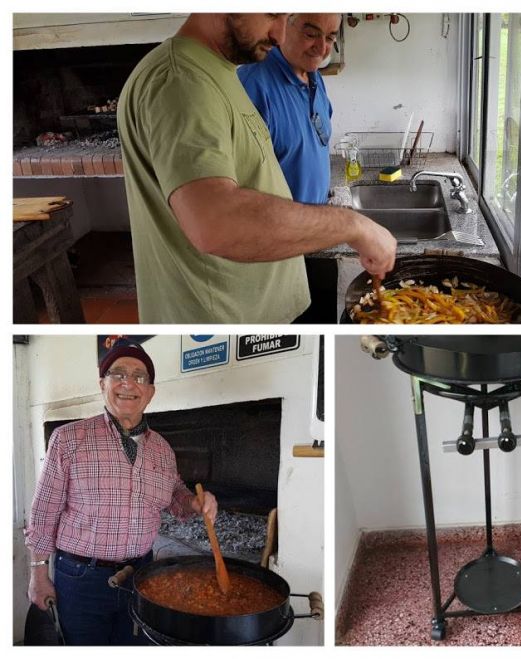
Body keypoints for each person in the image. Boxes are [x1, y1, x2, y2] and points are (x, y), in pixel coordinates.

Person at [118, 13, 396, 324]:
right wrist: (353, 226)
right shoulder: (183, 81)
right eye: (272, 13)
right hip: (227, 323)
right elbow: (216, 223)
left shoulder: (216, 72)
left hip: (260, 310)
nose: (278, 35)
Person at [25, 339, 217, 645]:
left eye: (140, 376)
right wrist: (37, 576)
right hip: (80, 579)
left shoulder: (163, 449)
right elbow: (43, 512)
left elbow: (174, 495)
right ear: (103, 384)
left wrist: (194, 502)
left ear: (150, 392)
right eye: (118, 373)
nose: (129, 382)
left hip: (142, 576)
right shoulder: (68, 440)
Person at [238, 13, 341, 322]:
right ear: (283, 25)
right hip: (279, 255)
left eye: (331, 37)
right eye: (312, 33)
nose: (321, 48)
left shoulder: (314, 77)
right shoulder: (251, 86)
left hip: (317, 240)